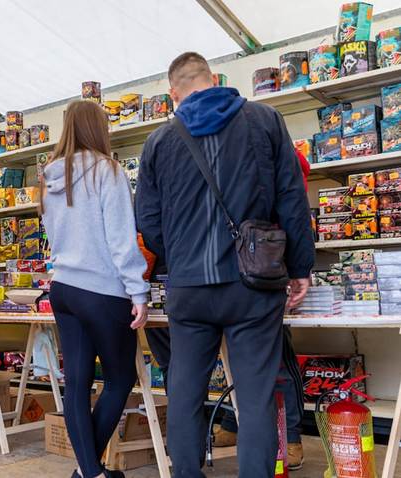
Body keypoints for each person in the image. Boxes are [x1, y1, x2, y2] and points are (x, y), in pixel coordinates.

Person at [135, 52, 314, 476]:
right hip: (253, 286)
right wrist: (300, 267)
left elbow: (148, 221)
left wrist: (179, 257)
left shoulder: (158, 142)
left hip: (189, 290)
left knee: (184, 393)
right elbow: (291, 199)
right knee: (254, 397)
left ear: (173, 94)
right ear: (214, 79)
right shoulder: (265, 120)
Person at [40, 100, 150, 478]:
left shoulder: (51, 176)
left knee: (77, 384)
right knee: (121, 379)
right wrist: (138, 292)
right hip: (102, 290)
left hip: (64, 289)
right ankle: (90, 472)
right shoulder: (108, 171)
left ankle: (90, 472)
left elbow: (54, 237)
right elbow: (121, 239)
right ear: (99, 129)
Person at [214, 148, 313, 470]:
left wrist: (298, 265)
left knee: (276, 357)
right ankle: (233, 422)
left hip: (266, 263)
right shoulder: (221, 151)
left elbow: (293, 204)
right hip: (227, 267)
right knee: (233, 357)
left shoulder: (280, 152)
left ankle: (292, 436)